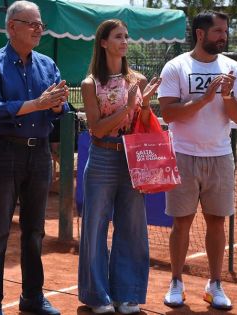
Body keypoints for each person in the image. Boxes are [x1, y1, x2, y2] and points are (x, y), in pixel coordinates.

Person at [0, 1, 69, 314]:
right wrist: (39, 103)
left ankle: (32, 297)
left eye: (40, 24)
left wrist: (57, 104)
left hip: (39, 152)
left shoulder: (47, 64)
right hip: (3, 151)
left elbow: (60, 110)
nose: (38, 29)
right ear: (12, 27)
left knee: (34, 230)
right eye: (31, 24)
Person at [157, 11, 237, 310]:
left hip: (220, 156)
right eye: (218, 32)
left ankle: (215, 284)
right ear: (200, 33)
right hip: (182, 154)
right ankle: (176, 282)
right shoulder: (176, 66)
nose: (224, 37)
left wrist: (226, 97)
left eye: (225, 31)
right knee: (181, 223)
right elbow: (168, 114)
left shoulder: (233, 68)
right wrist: (205, 99)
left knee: (217, 222)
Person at [78, 19, 161, 315]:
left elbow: (141, 121)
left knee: (132, 226)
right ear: (103, 43)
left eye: (126, 36)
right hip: (101, 158)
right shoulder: (91, 84)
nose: (125, 41)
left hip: (132, 158)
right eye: (118, 36)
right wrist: (127, 108)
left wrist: (146, 104)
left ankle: (127, 295)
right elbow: (97, 129)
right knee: (95, 227)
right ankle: (97, 295)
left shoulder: (136, 79)